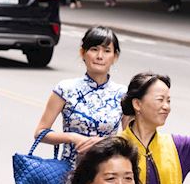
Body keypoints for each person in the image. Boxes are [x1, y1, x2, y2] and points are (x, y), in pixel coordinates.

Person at [33, 26, 126, 164]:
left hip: (109, 170)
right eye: (94, 49)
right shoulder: (65, 89)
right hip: (70, 170)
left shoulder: (123, 94)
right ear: (83, 53)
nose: (100, 56)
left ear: (115, 57)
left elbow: (131, 139)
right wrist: (72, 137)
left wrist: (103, 142)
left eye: (107, 51)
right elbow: (40, 132)